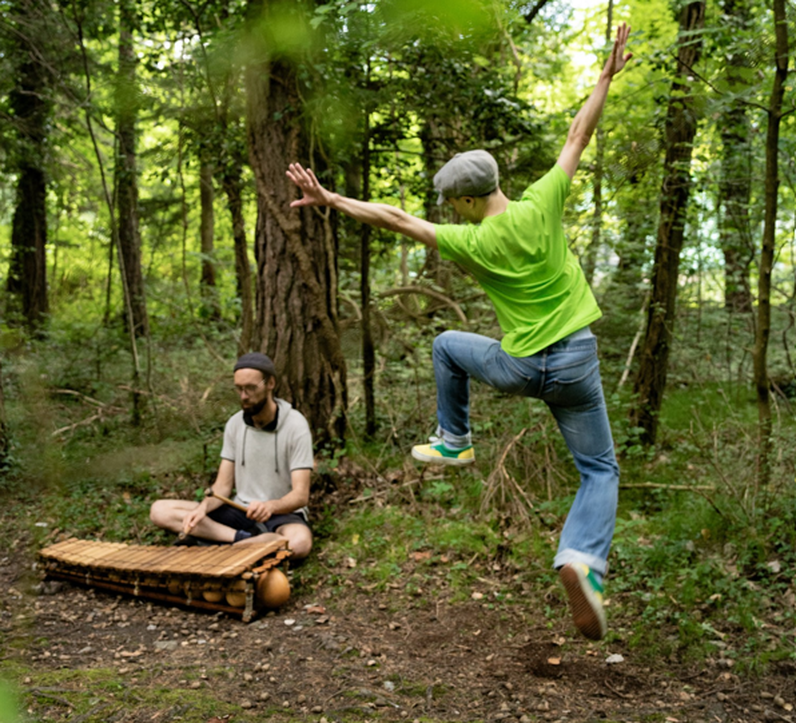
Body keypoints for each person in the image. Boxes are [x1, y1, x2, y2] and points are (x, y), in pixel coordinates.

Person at [285, 24, 631, 639]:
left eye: (453, 204)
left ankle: (455, 438)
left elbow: (393, 218)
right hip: (576, 362)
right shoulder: (543, 201)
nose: (450, 214)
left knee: (448, 343)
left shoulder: (469, 240)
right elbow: (580, 134)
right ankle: (582, 560)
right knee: (599, 470)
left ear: (469, 202)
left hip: (523, 367)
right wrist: (603, 77)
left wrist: (330, 198)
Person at [150, 352, 314, 560]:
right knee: (159, 510)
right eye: (239, 389)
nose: (244, 396)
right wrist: (203, 509)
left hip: (281, 515)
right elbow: (222, 487)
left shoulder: (295, 425)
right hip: (239, 511)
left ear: (270, 383)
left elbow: (300, 495)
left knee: (299, 542)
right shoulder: (235, 424)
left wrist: (270, 506)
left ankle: (215, 546)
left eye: (251, 388)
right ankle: (244, 540)